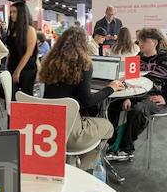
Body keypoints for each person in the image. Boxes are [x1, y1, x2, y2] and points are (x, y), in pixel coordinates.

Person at [40, 27, 124, 169]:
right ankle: (84, 168)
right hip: (71, 133)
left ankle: (71, 160)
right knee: (108, 127)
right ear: (84, 44)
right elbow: (87, 101)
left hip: (47, 129)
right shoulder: (84, 65)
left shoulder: (49, 63)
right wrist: (111, 88)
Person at [108, 28, 167, 160]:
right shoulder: (136, 59)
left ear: (154, 43)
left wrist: (166, 98)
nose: (140, 43)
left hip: (158, 98)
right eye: (139, 40)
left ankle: (126, 149)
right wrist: (128, 97)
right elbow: (130, 81)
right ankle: (111, 141)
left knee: (138, 110)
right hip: (137, 95)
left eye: (144, 41)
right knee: (111, 105)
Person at [6, 0, 37, 97]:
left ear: (21, 13)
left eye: (14, 12)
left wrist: (17, 71)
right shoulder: (12, 30)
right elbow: (10, 51)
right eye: (11, 12)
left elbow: (28, 53)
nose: (11, 14)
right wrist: (7, 67)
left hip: (26, 69)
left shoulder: (30, 30)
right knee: (11, 97)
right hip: (12, 67)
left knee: (25, 97)